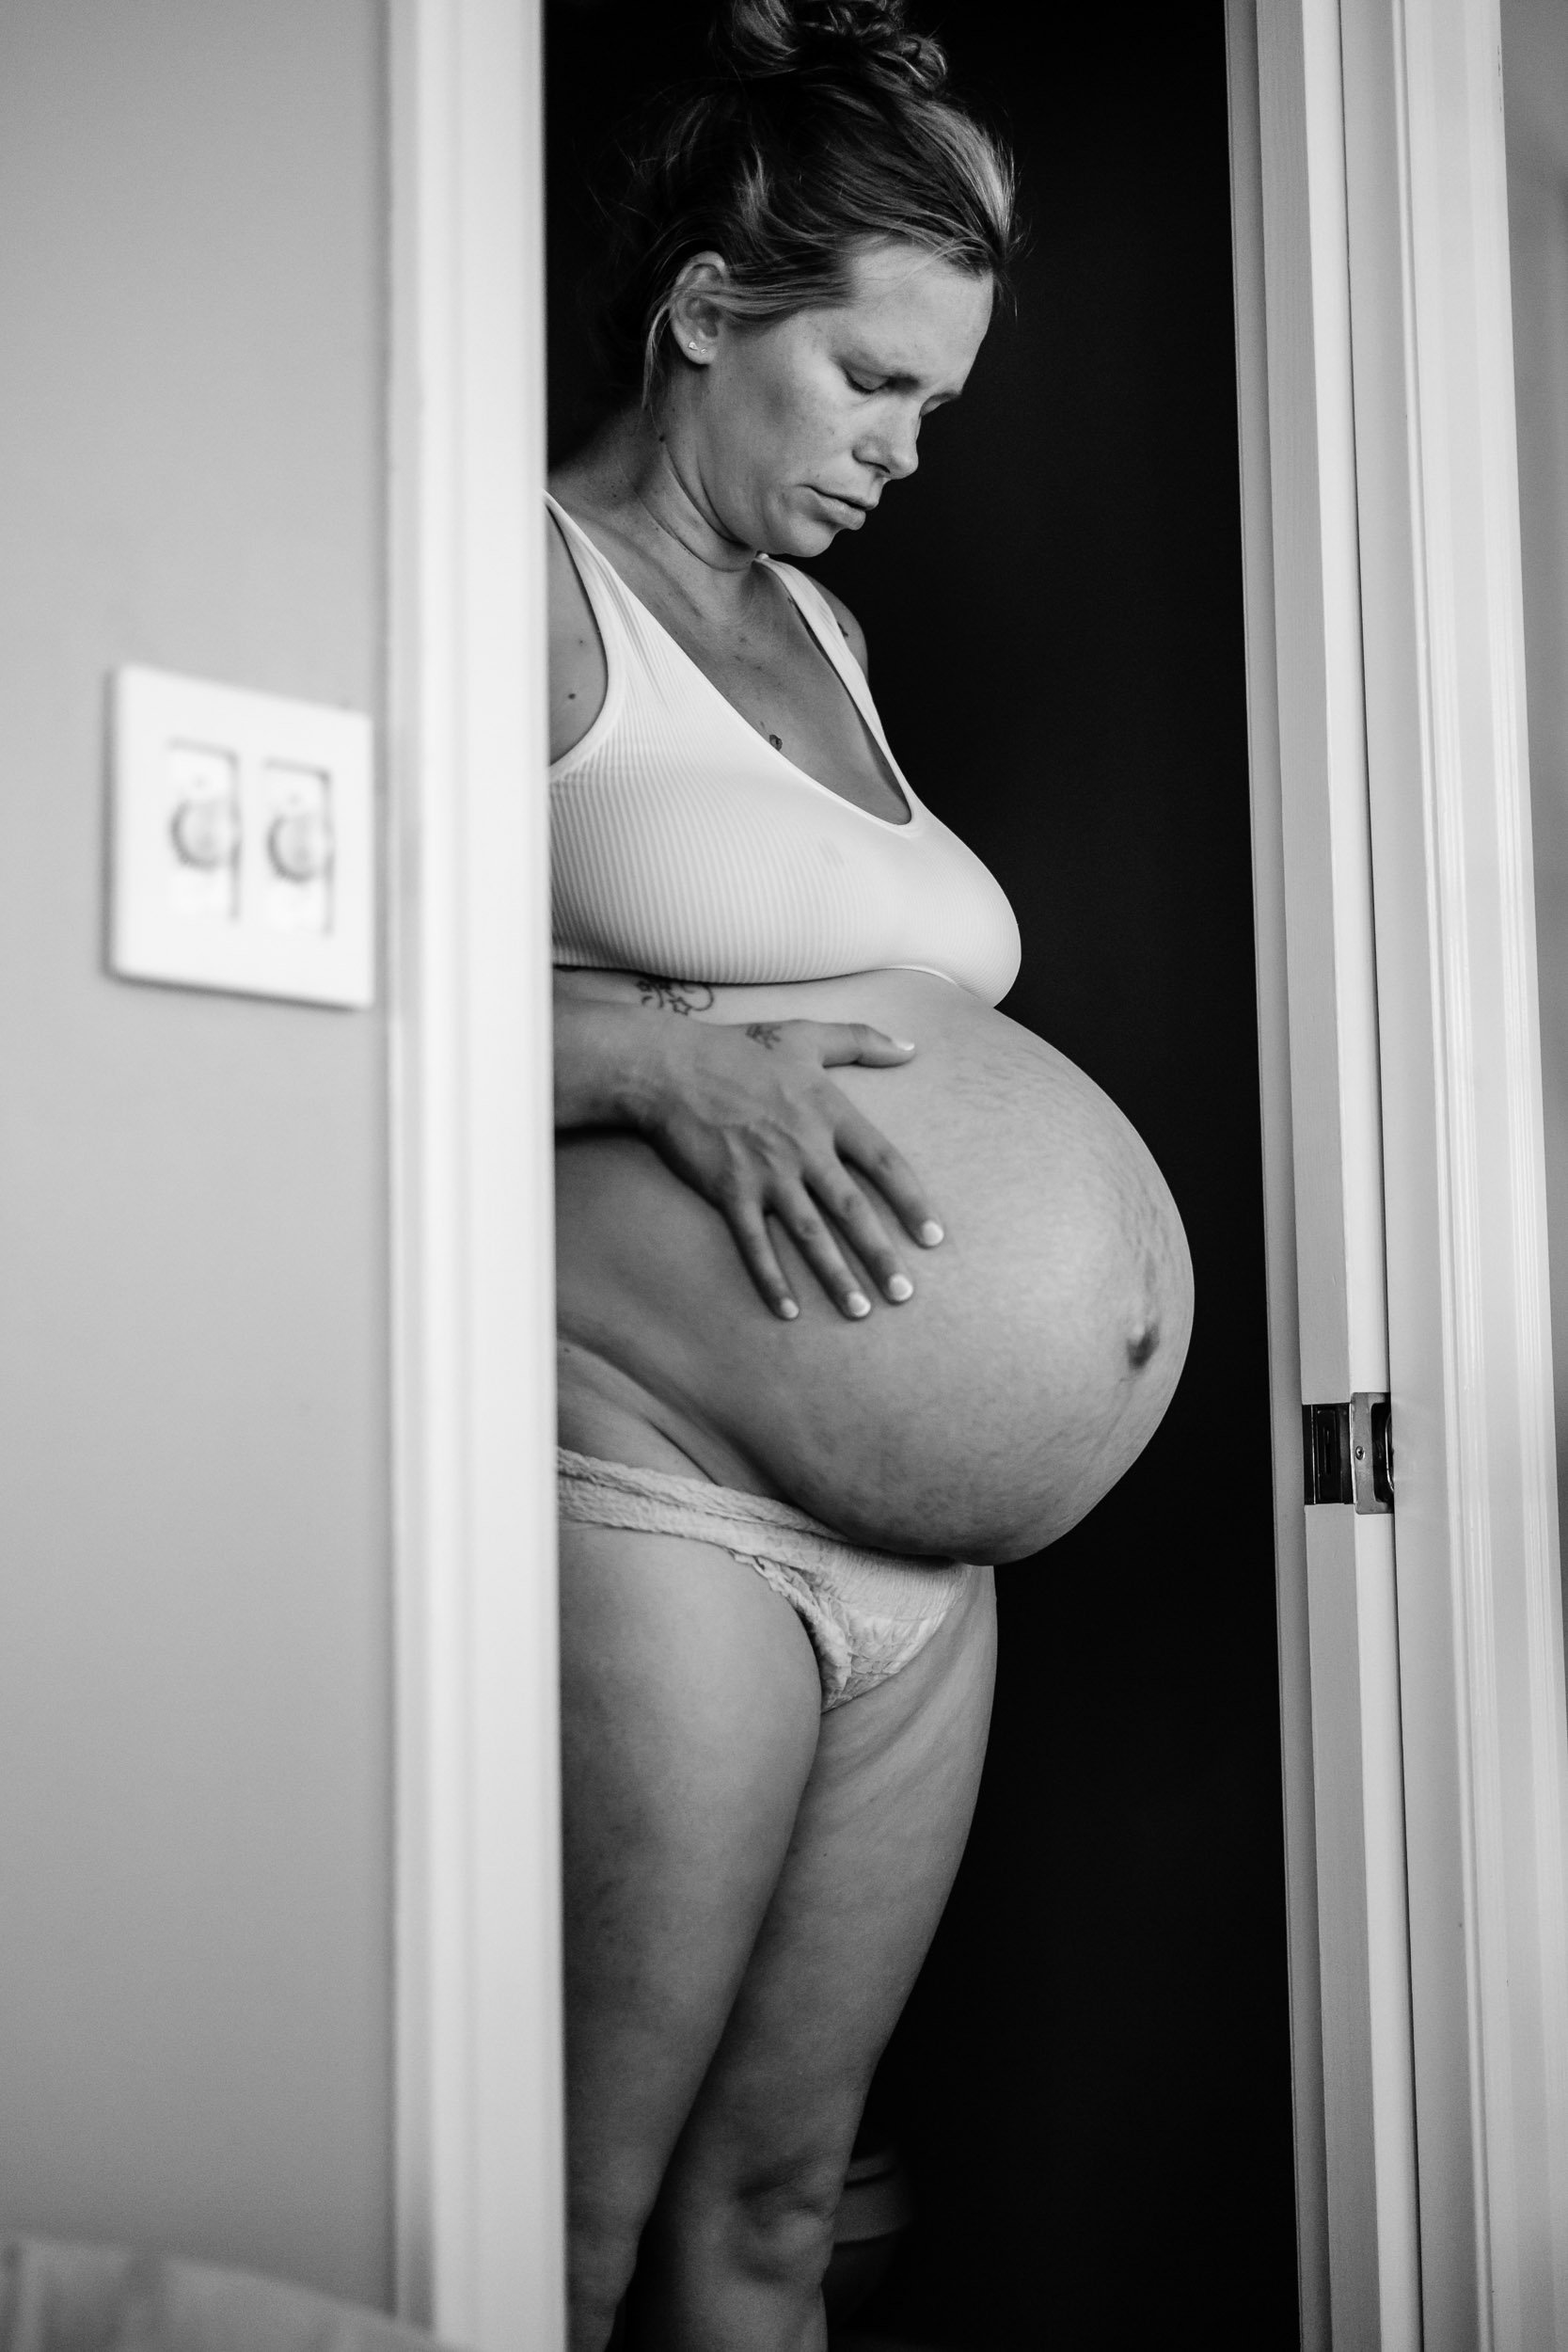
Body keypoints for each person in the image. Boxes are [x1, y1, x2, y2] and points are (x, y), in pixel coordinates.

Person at [548, 3, 1195, 2344]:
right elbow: (339, 1027)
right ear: (708, 314)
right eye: (872, 381)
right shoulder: (525, 589)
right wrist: (657, 1064)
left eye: (943, 402)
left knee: (786, 2201)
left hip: (921, 1559)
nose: (908, 451)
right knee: (576, 2208)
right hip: (664, 1497)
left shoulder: (819, 625)